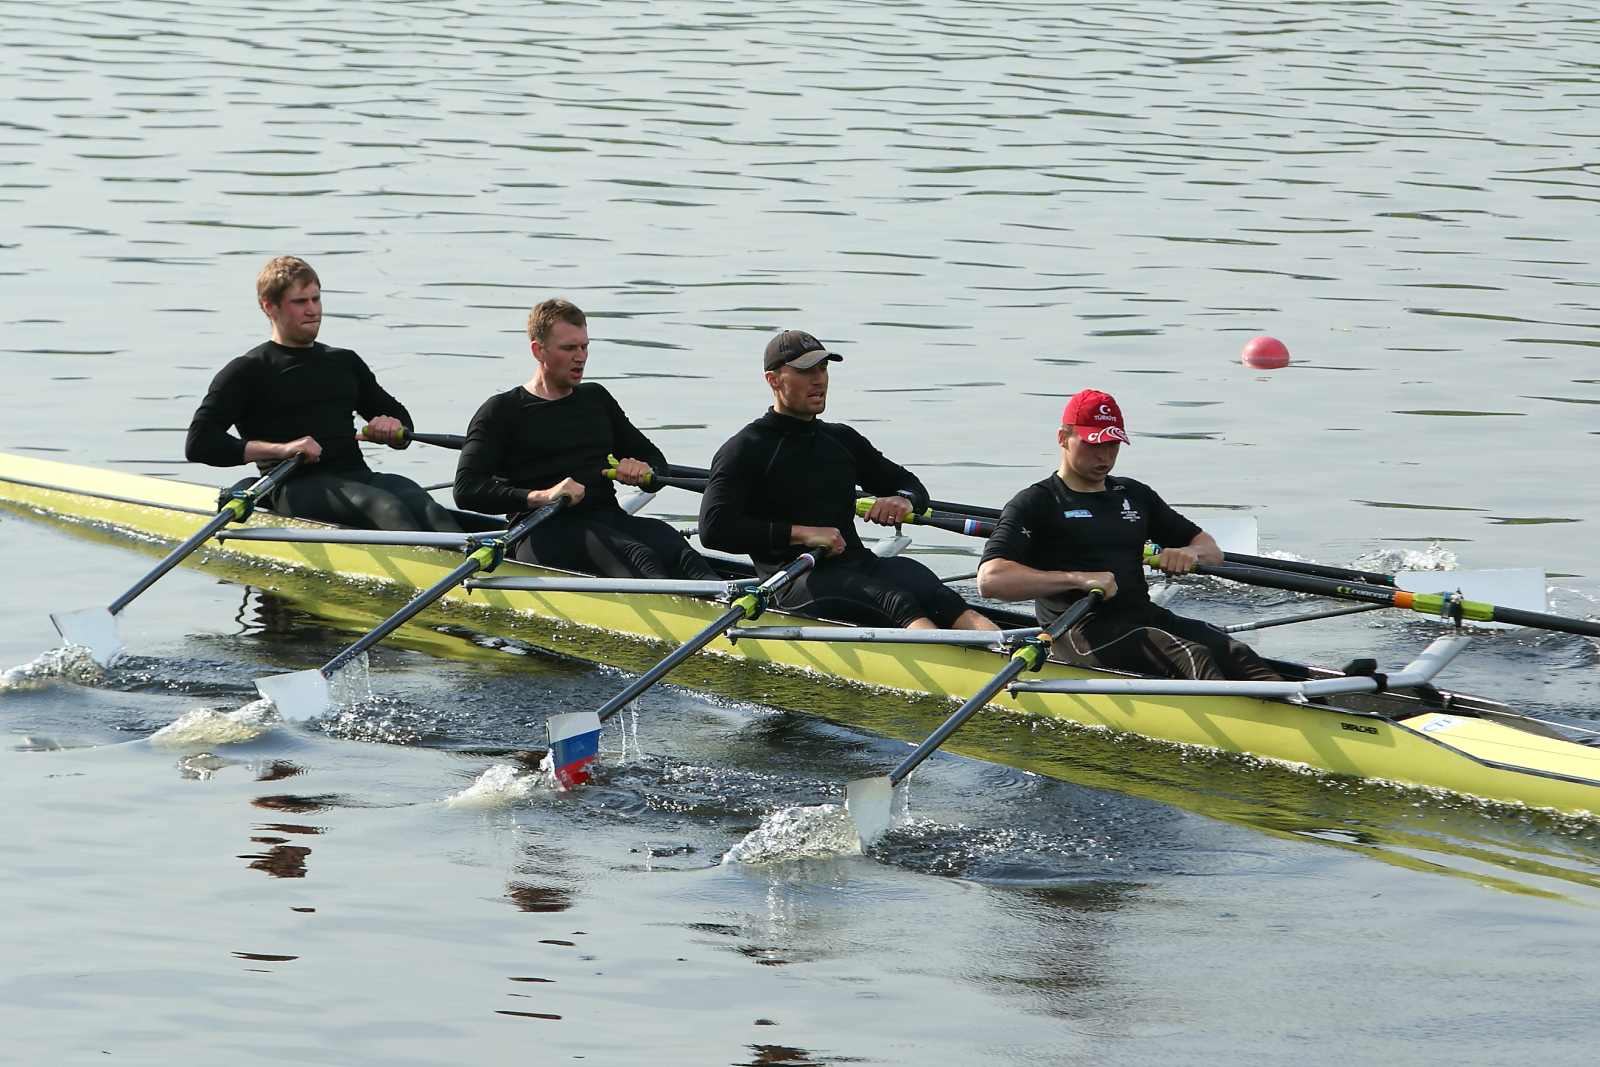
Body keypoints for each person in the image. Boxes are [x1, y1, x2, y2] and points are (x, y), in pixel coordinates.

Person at [699, 330, 998, 632]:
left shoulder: (841, 439)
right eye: (805, 370)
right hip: (793, 579)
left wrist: (901, 499)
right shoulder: (746, 448)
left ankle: (1007, 656)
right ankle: (954, 671)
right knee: (895, 601)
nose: (819, 379)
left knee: (938, 594)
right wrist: (804, 534)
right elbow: (714, 528)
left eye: (823, 368)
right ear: (773, 381)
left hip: (858, 564)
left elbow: (910, 484)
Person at [977, 389, 1278, 681]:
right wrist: (1078, 579)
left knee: (1235, 651)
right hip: (1078, 632)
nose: (1104, 456)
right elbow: (990, 580)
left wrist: (1189, 554)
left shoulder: (1133, 494)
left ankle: (1304, 714)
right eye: (1092, 443)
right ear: (1063, 438)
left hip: (1141, 617)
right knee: (1193, 656)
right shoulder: (1037, 502)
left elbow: (1212, 551)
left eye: (1112, 445)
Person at [185, 256, 461, 533]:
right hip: (291, 485)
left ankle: (482, 569)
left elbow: (400, 418)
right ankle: (434, 572)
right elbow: (200, 443)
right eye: (300, 302)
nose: (312, 310)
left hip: (356, 475)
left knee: (424, 504)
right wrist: (281, 449)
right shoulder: (247, 370)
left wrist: (393, 429)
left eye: (316, 299)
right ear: (270, 307)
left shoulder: (344, 361)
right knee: (384, 506)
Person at [453, 298, 717, 579]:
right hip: (541, 530)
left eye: (584, 346)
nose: (580, 356)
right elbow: (467, 489)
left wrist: (645, 471)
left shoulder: (596, 398)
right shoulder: (502, 410)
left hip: (609, 520)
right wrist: (543, 496)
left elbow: (656, 460)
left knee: (678, 549)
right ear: (538, 350)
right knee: (639, 557)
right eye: (568, 348)